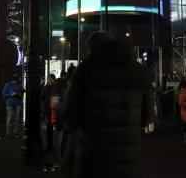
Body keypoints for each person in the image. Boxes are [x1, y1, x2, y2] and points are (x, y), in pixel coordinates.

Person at [64, 38, 153, 178]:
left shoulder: (85, 70)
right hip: (128, 159)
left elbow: (70, 116)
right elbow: (147, 117)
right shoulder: (139, 72)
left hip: (93, 156)